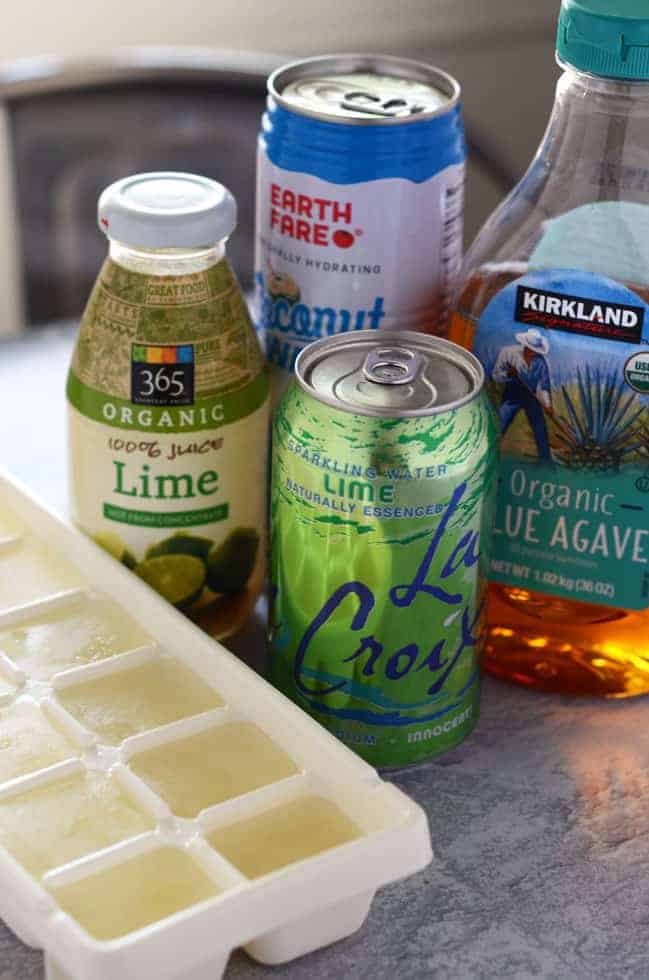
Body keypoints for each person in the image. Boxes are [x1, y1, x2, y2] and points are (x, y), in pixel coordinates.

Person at [492, 328, 553, 462]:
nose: (533, 352)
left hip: (531, 396)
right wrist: (508, 375)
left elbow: (544, 386)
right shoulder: (508, 353)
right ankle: (489, 454)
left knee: (540, 428)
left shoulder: (541, 362)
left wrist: (548, 405)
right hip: (512, 393)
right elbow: (496, 375)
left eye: (535, 350)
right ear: (525, 345)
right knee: (500, 424)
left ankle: (546, 462)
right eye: (531, 349)